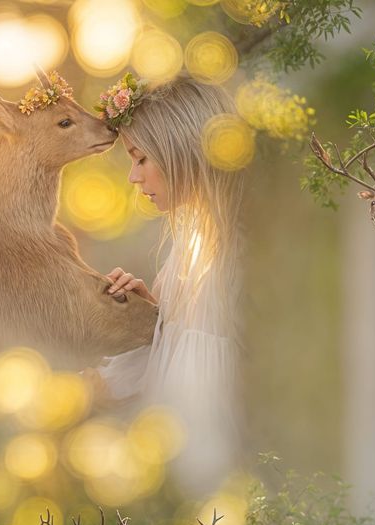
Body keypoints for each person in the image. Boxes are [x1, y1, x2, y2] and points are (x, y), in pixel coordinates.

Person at [95, 73, 245, 497]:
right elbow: (166, 364)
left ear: (181, 150)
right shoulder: (189, 249)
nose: (132, 178)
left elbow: (207, 393)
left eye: (141, 159)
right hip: (170, 474)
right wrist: (148, 320)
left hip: (214, 486)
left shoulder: (237, 257)